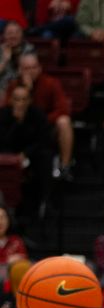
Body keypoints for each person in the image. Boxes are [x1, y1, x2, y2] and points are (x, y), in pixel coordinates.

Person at [7, 53, 73, 180]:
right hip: (20, 128)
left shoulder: (51, 83)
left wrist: (42, 121)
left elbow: (63, 109)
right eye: (27, 68)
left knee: (64, 122)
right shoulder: (14, 85)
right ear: (20, 70)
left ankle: (65, 167)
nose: (31, 71)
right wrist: (26, 91)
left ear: (39, 68)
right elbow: (6, 110)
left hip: (46, 126)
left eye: (33, 67)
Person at [0, 85, 51, 223]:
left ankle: (43, 203)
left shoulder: (38, 115)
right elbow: (3, 141)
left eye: (24, 99)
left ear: (30, 100)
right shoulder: (3, 114)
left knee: (45, 157)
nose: (20, 103)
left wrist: (26, 153)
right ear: (11, 100)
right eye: (17, 99)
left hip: (32, 156)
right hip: (7, 155)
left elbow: (43, 139)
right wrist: (17, 123)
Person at [0, 22, 34, 102]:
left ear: (22, 34)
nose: (13, 36)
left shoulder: (29, 49)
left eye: (17, 32)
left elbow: (30, 71)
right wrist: (5, 60)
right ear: (4, 35)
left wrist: (19, 58)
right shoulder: (0, 49)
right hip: (2, 87)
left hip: (20, 86)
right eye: (10, 33)